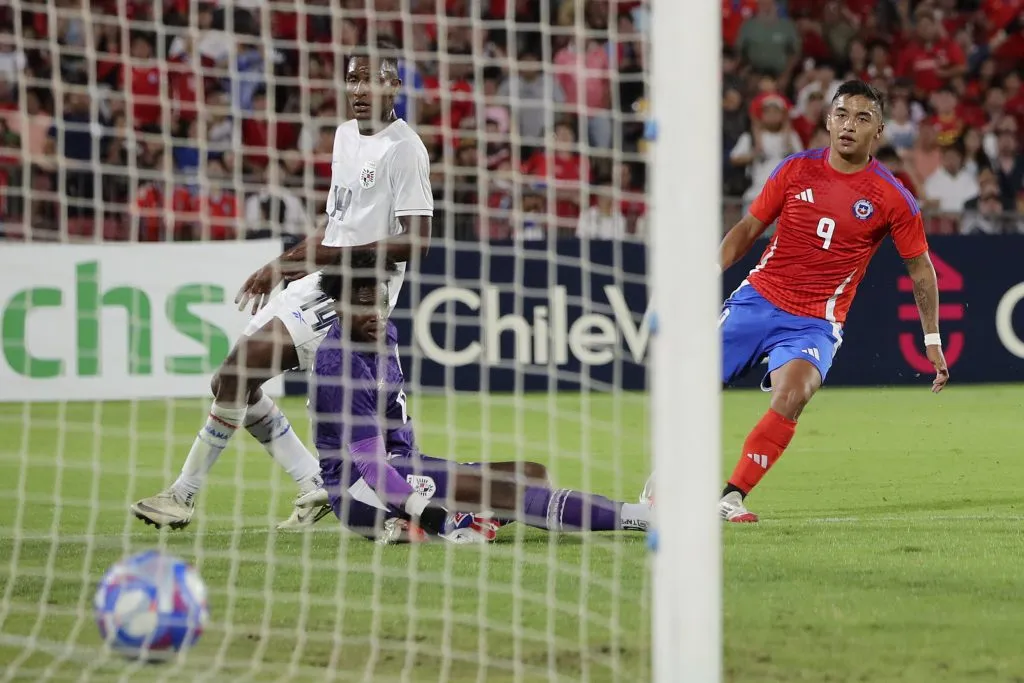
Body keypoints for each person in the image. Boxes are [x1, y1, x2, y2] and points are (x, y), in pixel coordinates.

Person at [130, 40, 433, 531]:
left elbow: (416, 243)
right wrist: (284, 261)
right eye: (352, 79)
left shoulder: (405, 149)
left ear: (394, 85)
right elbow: (334, 225)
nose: (359, 90)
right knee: (227, 384)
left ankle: (182, 496)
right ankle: (312, 479)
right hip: (320, 277)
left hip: (356, 293)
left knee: (238, 372)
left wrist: (322, 260)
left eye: (372, 79)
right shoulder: (343, 136)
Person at [716, 80, 949, 523]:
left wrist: (932, 338)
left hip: (815, 321)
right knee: (693, 389)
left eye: (862, 118)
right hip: (757, 300)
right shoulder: (795, 169)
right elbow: (748, 229)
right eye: (841, 114)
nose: (849, 125)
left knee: (795, 392)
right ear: (827, 121)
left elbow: (921, 269)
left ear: (878, 131)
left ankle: (732, 496)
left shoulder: (892, 197)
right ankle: (661, 485)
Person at [312, 254, 654, 542]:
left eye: (380, 301)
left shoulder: (385, 333)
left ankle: (456, 525)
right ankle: (639, 515)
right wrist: (427, 511)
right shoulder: (339, 364)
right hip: (362, 487)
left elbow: (393, 418)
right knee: (507, 493)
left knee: (534, 474)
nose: (375, 313)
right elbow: (371, 466)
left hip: (401, 462)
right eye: (362, 307)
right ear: (339, 308)